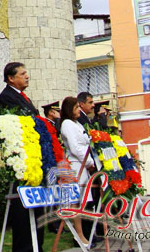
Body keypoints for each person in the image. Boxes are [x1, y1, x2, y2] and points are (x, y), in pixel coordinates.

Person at [0, 62, 43, 252]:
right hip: (21, 160)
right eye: (22, 73)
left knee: (37, 208)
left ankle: (37, 245)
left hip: (33, 157)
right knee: (23, 209)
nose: (27, 76)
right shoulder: (6, 98)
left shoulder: (23, 97)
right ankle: (25, 248)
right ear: (11, 78)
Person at [60, 96, 97, 247]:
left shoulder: (76, 123)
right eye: (76, 108)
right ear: (70, 109)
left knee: (83, 202)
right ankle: (79, 235)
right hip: (76, 165)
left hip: (83, 165)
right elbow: (75, 148)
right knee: (76, 202)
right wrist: (89, 162)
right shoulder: (67, 124)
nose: (79, 110)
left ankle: (85, 234)